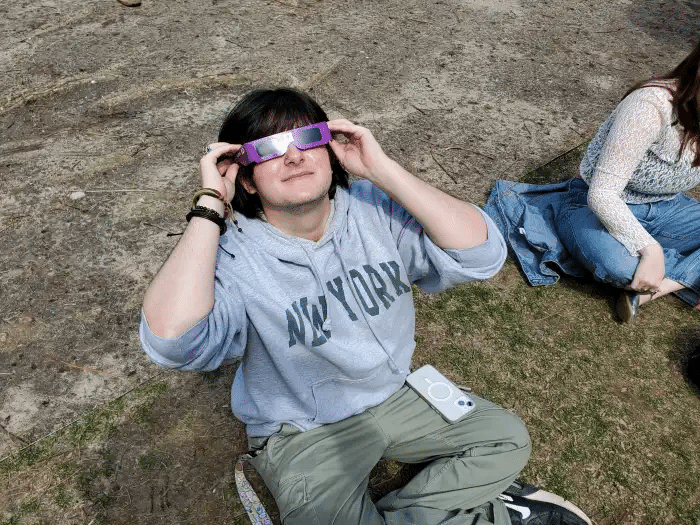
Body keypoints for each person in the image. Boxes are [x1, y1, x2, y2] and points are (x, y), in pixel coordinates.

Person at [139, 87, 591, 525]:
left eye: (307, 138)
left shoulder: (376, 210)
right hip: (302, 429)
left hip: (395, 394)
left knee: (506, 439)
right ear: (246, 178)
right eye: (270, 148)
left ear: (332, 149)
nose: (294, 155)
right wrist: (209, 206)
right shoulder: (231, 254)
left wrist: (382, 169)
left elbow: (482, 254)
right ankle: (478, 513)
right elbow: (173, 341)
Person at [485, 38, 700, 323]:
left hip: (667, 207)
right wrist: (651, 248)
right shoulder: (652, 105)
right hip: (594, 205)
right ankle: (680, 272)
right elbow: (603, 194)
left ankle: (661, 287)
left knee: (641, 268)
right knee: (621, 267)